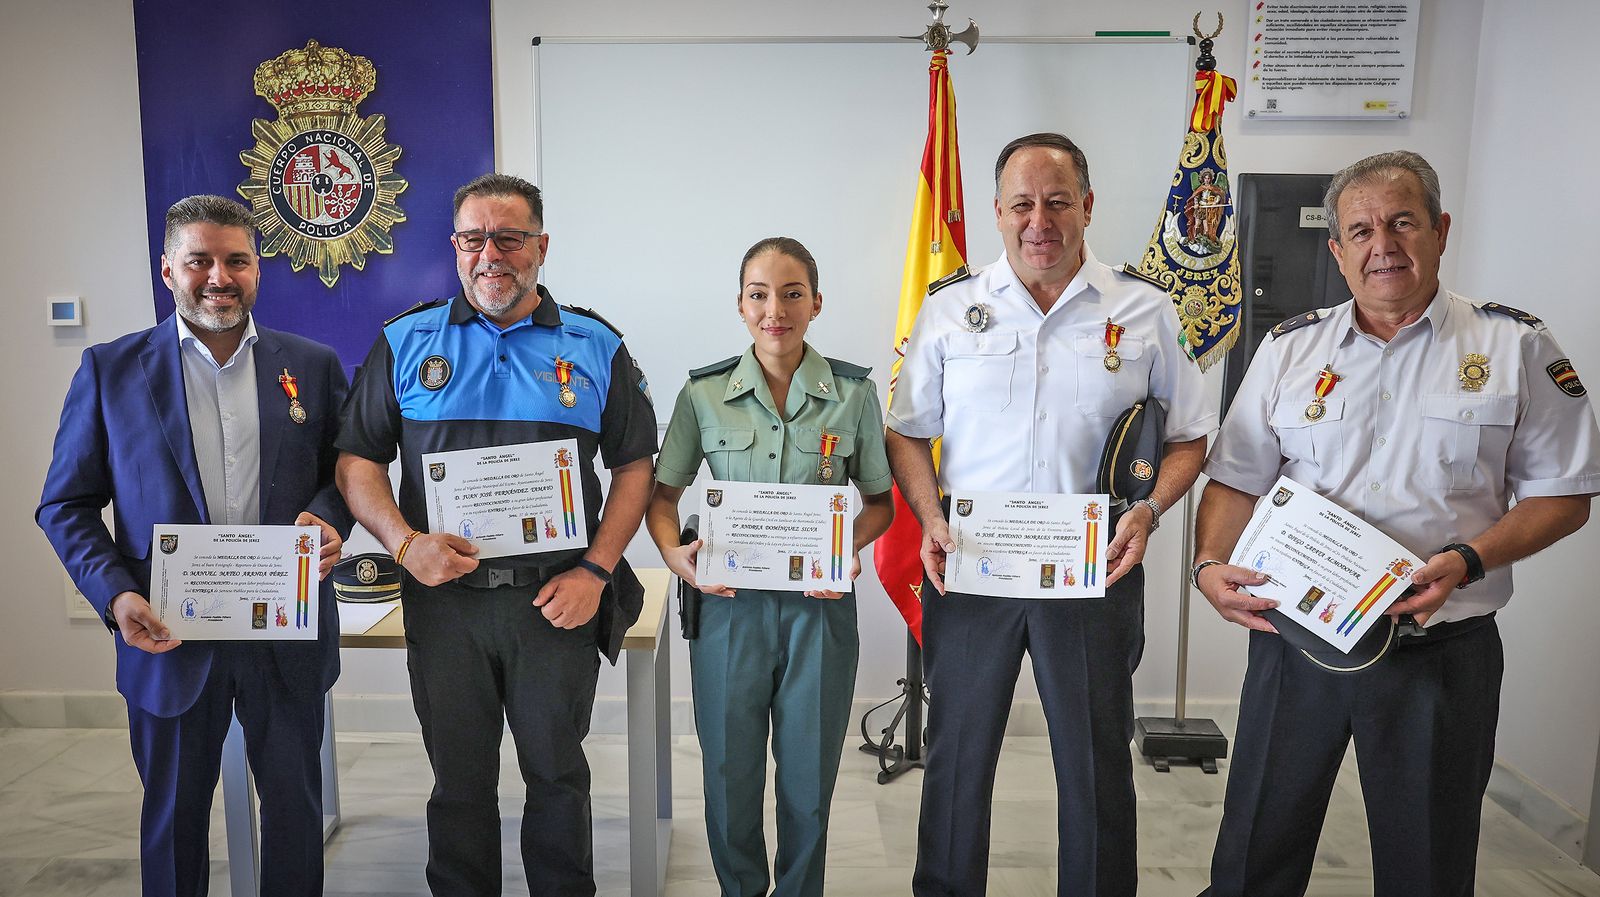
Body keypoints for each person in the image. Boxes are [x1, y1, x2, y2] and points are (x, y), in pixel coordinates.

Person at [1191, 150, 1600, 897]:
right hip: (1297, 643)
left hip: (1438, 656)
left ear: (1441, 230)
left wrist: (1469, 559)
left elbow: (1565, 493)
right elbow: (1233, 479)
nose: (1383, 244)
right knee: (1254, 857)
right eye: (1362, 229)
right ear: (1337, 251)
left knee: (1428, 869)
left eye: (1402, 221)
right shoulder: (1288, 350)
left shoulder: (1513, 347)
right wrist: (1209, 564)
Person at [886, 132, 1214, 897]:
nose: (1041, 220)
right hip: (972, 571)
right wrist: (930, 517)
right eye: (1023, 204)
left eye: (1059, 201)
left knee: (1096, 763)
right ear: (997, 213)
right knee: (957, 758)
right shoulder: (950, 309)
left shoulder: (1145, 309)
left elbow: (1193, 436)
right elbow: (906, 431)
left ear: (1088, 207)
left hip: (1095, 573)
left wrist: (1151, 510)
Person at [334, 173, 657, 896]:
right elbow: (358, 460)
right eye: (473, 239)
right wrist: (403, 542)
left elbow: (636, 466)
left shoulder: (596, 344)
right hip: (446, 606)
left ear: (541, 246)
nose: (491, 255)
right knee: (459, 782)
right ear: (455, 248)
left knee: (557, 777)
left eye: (509, 238)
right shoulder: (406, 340)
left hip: (556, 602)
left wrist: (598, 573)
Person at [36, 194, 350, 897]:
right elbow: (65, 503)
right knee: (175, 822)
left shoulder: (315, 365)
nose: (219, 276)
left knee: (296, 819)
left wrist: (331, 518)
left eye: (236, 260)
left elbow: (345, 474)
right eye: (199, 260)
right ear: (168, 269)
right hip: (168, 641)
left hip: (285, 638)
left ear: (258, 269)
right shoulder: (109, 370)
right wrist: (116, 593)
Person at [646, 237, 894, 897]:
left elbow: (880, 504)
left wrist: (848, 547)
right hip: (729, 607)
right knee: (729, 776)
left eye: (790, 293)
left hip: (819, 609)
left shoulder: (852, 393)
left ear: (816, 302)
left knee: (808, 779)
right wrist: (675, 556)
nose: (774, 309)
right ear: (740, 303)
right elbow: (662, 498)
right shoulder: (703, 394)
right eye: (759, 293)